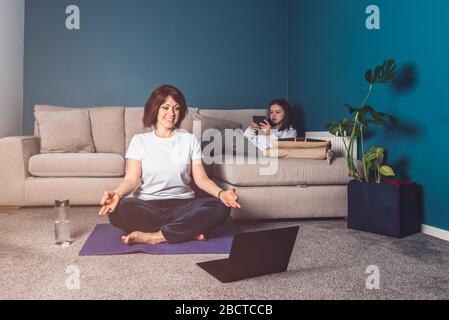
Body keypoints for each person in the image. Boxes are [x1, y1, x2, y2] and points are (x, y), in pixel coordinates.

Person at [98, 84, 241, 245]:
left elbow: (202, 179)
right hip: (147, 205)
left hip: (183, 206)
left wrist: (222, 194)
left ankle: (156, 236)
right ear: (155, 109)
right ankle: (184, 231)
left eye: (176, 108)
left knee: (221, 207)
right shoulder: (139, 141)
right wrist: (116, 195)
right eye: (165, 107)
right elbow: (131, 180)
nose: (171, 113)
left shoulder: (189, 140)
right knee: (118, 210)